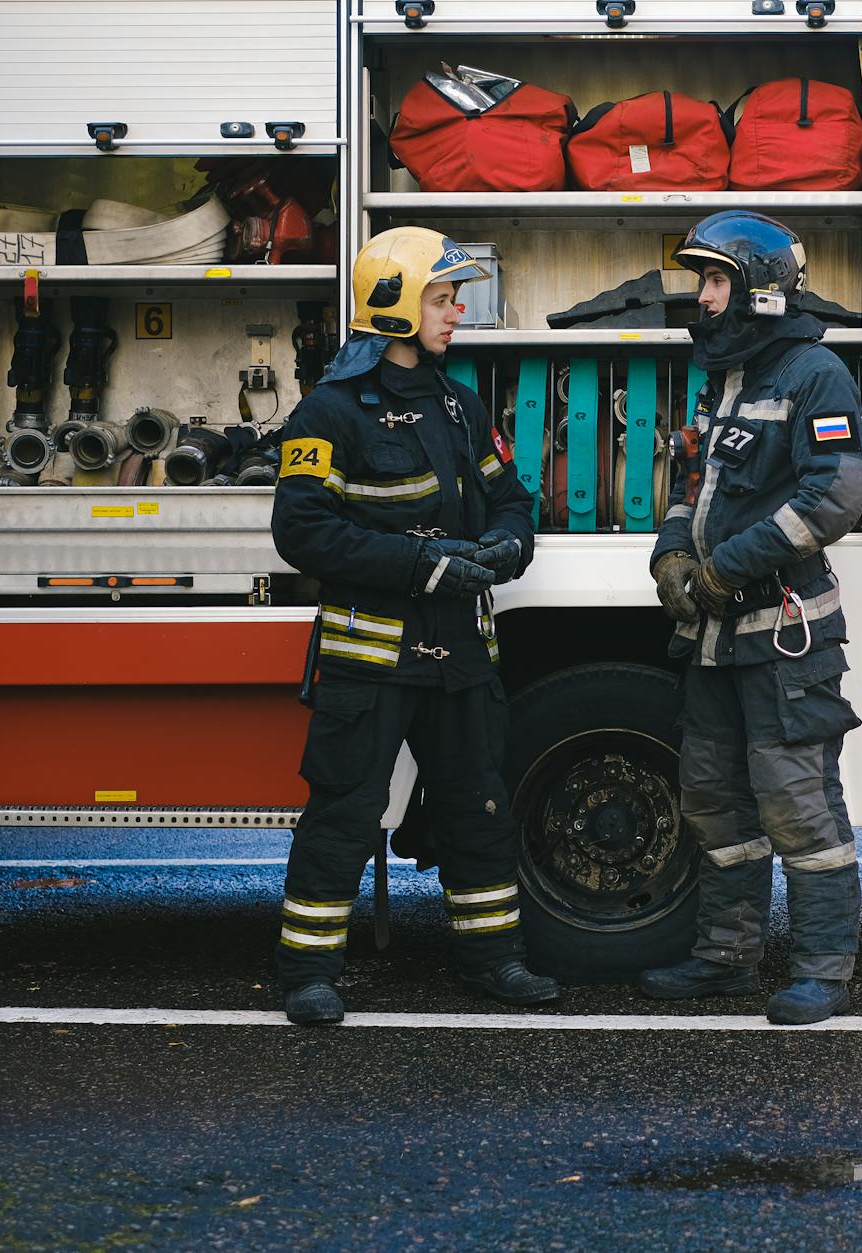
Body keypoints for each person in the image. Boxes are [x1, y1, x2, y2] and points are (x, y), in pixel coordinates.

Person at [270, 226, 557, 1025]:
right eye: (442, 296)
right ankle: (308, 973)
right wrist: (423, 566)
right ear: (392, 302)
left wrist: (507, 543)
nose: (456, 310)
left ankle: (493, 959)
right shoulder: (329, 412)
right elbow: (304, 532)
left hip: (460, 655)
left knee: (477, 805)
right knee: (345, 809)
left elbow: (511, 498)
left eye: (454, 296)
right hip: (371, 659)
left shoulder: (460, 404)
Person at [638, 211, 862, 1026]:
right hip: (711, 637)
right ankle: (726, 958)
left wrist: (720, 569)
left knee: (796, 803)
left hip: (784, 632)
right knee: (712, 800)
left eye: (714, 280)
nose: (700, 297)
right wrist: (670, 557)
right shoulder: (723, 379)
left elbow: (836, 498)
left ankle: (822, 969)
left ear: (759, 290)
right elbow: (688, 488)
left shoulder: (814, 374)